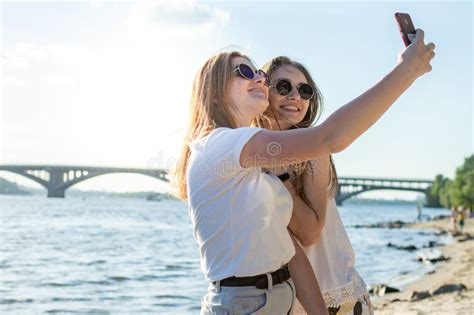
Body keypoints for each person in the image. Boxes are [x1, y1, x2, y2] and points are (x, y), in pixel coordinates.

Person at [172, 29, 435, 314]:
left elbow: (292, 251)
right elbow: (329, 137)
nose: (259, 78)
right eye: (246, 71)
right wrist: (406, 71)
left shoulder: (252, 167)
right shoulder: (222, 143)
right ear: (214, 90)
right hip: (247, 302)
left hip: (278, 297)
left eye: (260, 73)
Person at [257, 56, 373, 314]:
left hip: (333, 295)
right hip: (283, 298)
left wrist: (280, 179)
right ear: (263, 90)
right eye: (284, 87)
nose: (296, 96)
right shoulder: (246, 149)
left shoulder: (313, 150)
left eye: (304, 90)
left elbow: (310, 233)